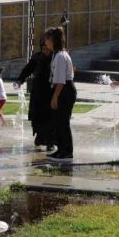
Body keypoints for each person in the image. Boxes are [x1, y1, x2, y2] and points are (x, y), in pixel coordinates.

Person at [15, 40, 55, 150]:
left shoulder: (56, 57)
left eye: (48, 49)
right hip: (38, 91)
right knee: (38, 116)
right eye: (44, 49)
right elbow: (27, 70)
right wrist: (19, 80)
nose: (46, 51)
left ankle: (50, 141)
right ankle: (39, 135)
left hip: (51, 91)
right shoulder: (37, 57)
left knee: (50, 117)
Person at [45, 27, 76, 163]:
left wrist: (55, 96)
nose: (45, 42)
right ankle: (61, 149)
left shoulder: (60, 56)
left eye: (47, 39)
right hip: (61, 89)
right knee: (58, 121)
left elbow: (61, 80)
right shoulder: (57, 54)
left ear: (52, 40)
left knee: (63, 122)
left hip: (64, 90)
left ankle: (67, 152)